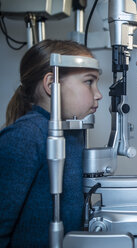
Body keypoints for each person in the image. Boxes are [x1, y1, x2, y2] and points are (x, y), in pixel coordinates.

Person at [0, 40, 102, 247]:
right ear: (51, 84)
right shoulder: (25, 136)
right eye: (89, 82)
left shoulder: (73, 132)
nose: (98, 94)